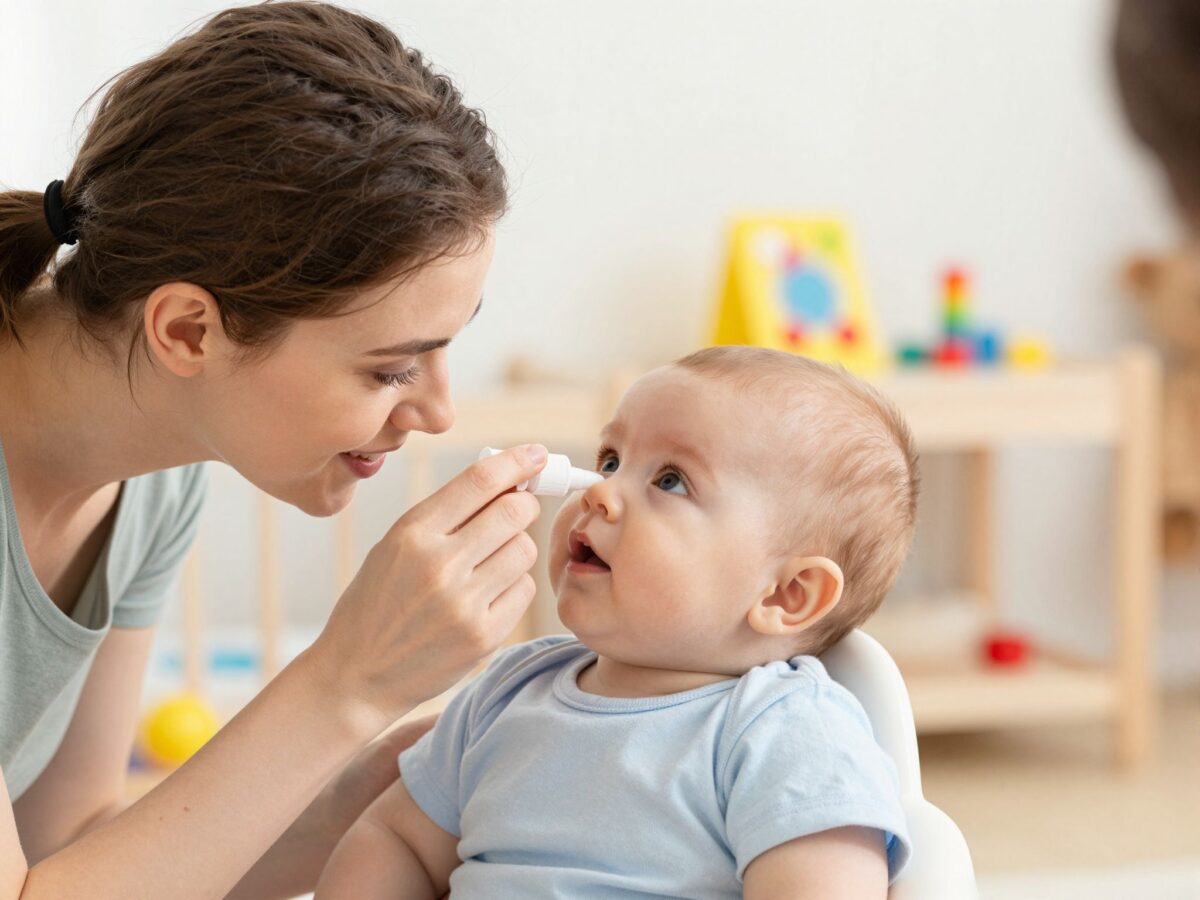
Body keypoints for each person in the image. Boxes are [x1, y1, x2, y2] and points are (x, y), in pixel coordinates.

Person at [0, 4, 551, 898]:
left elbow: (72, 840)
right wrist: (347, 683)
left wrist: (379, 786)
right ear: (188, 330)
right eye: (390, 370)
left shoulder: (154, 484)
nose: (440, 412)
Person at [316, 346, 919, 899]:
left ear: (787, 594)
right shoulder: (506, 690)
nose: (598, 493)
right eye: (610, 460)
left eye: (670, 480)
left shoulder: (783, 734)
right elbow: (394, 840)